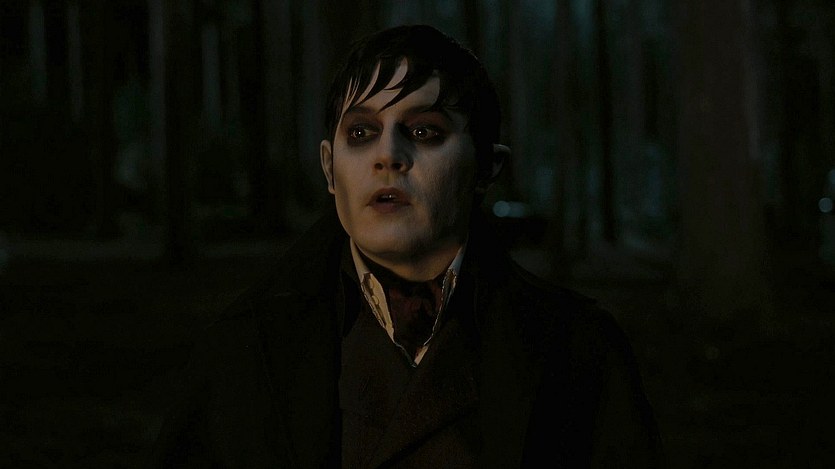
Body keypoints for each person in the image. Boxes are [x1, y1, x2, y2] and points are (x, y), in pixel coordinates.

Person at [147, 24, 663, 468]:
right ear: (329, 168)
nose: (388, 155)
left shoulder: (579, 352)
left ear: (486, 168)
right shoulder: (242, 350)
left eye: (423, 131)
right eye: (361, 132)